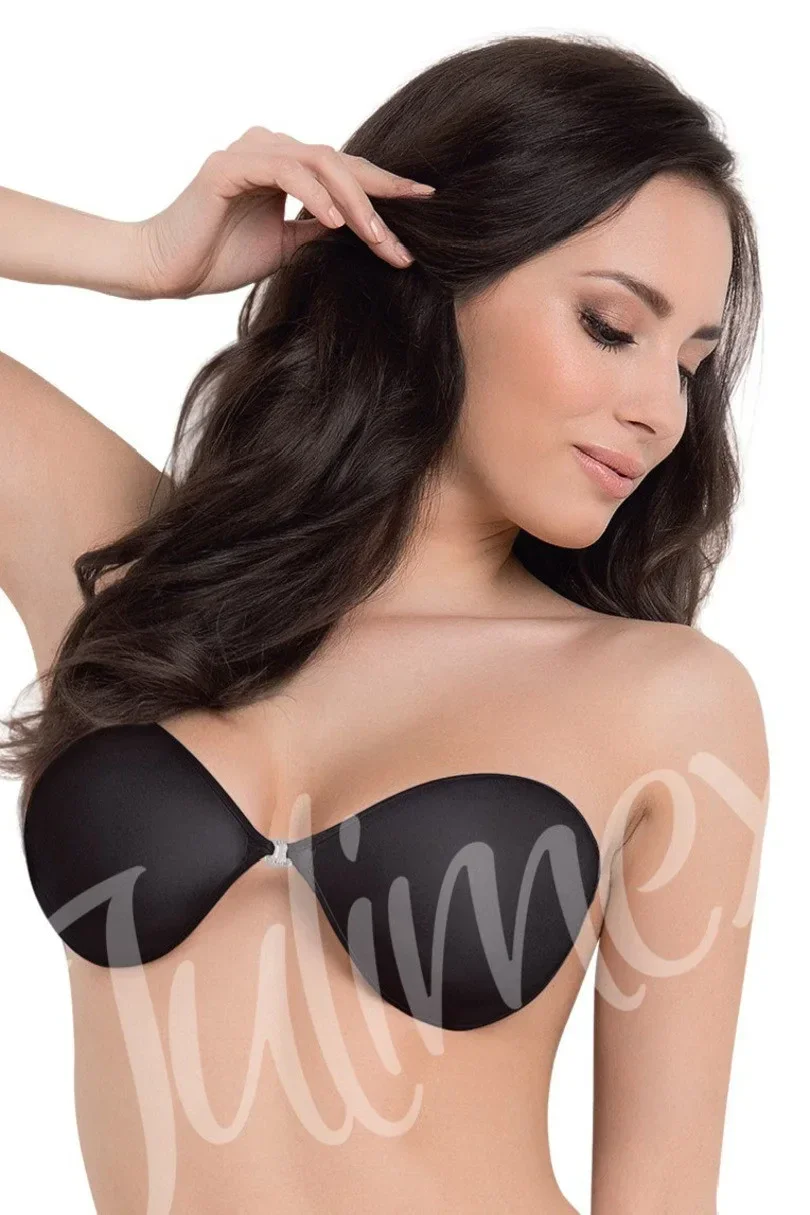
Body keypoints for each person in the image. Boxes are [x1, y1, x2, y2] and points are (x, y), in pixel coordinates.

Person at [0, 32, 769, 1215]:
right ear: (434, 275)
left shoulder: (663, 697)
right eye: (613, 326)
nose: (658, 411)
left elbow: (662, 1195)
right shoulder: (132, 576)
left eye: (691, 365)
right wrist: (137, 254)